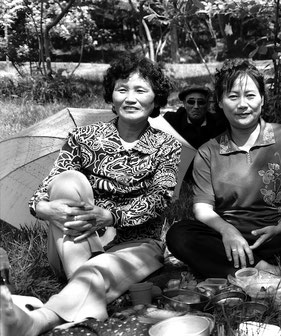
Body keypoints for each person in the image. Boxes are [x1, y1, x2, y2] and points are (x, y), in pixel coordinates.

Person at [1, 54, 181, 336]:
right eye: (122, 89)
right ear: (111, 95)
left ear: (156, 100)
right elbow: (48, 186)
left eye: (140, 90)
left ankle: (39, 320)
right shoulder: (83, 137)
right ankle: (88, 286)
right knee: (68, 180)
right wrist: (42, 208)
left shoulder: (165, 145)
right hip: (75, 243)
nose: (130, 98)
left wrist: (109, 216)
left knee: (95, 270)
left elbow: (160, 198)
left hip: (136, 246)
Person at [166, 59, 281, 279]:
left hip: (277, 235)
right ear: (220, 103)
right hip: (226, 238)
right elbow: (202, 209)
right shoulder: (208, 151)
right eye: (233, 96)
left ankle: (238, 268)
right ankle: (265, 267)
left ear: (262, 99)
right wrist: (228, 231)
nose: (242, 104)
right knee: (179, 235)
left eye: (250, 95)